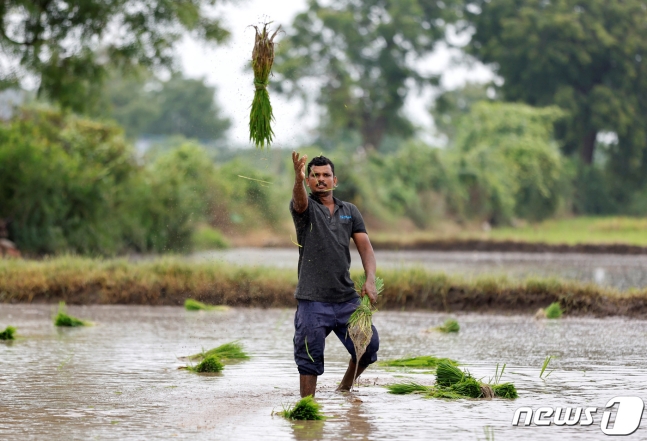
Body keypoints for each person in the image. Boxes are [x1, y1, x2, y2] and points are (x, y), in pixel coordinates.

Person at [290, 151, 379, 398]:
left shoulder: (349, 211)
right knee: (309, 355)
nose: (321, 179)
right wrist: (297, 180)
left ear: (335, 180)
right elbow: (299, 201)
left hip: (345, 299)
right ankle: (307, 408)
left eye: (326, 175)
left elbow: (366, 248)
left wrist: (370, 279)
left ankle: (344, 389)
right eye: (314, 175)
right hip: (312, 299)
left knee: (369, 347)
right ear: (308, 181)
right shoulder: (305, 209)